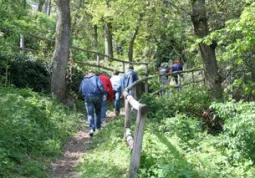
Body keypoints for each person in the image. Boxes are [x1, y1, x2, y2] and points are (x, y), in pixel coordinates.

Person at [79, 70, 106, 137]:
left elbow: (80, 90)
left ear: (88, 74)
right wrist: (103, 94)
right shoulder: (96, 78)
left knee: (90, 114)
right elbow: (101, 86)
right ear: (93, 73)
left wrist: (84, 95)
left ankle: (91, 129)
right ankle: (98, 128)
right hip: (97, 96)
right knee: (98, 112)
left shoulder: (83, 80)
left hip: (88, 97)